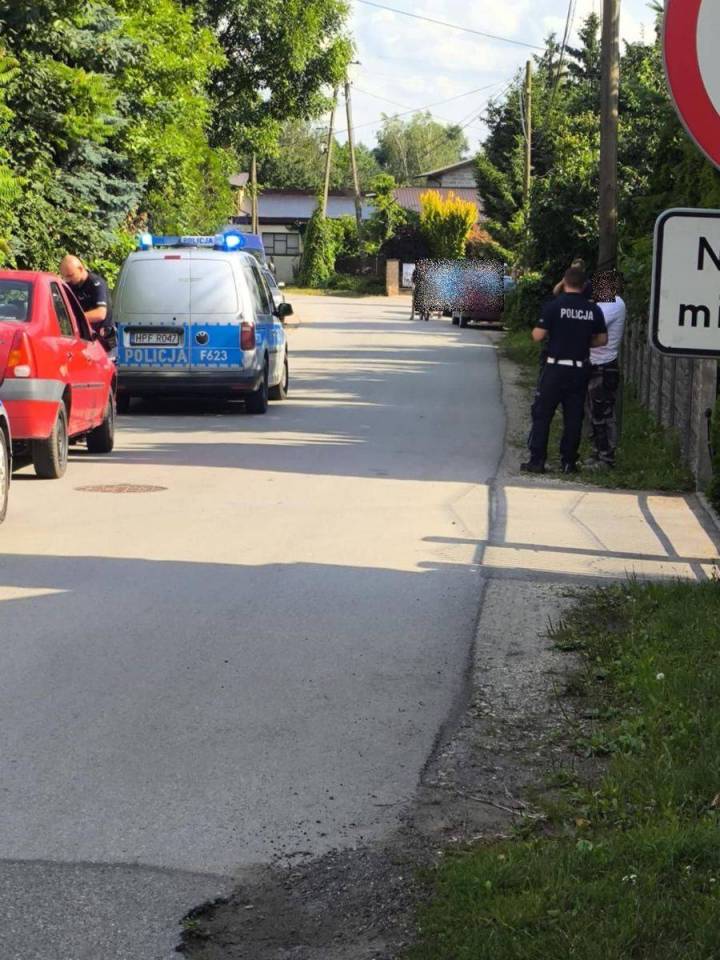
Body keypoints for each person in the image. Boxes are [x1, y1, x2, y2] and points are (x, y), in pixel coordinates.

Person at [522, 265, 608, 475]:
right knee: (574, 417)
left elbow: (537, 336)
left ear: (564, 282)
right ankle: (568, 462)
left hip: (555, 368)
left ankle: (537, 461)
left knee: (542, 414)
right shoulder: (593, 310)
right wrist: (582, 343)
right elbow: (602, 339)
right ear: (585, 285)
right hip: (579, 370)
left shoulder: (554, 306)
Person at [586, 273, 626, 467]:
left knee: (603, 414)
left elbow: (592, 327)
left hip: (604, 366)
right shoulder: (600, 304)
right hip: (593, 364)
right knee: (593, 413)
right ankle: (597, 452)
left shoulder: (615, 304)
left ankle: (607, 457)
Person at [59, 255, 116, 351]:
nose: (68, 280)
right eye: (65, 277)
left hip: (105, 342)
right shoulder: (71, 285)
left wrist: (72, 319)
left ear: (81, 269)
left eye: (70, 275)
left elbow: (100, 313)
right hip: (85, 340)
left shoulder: (96, 283)